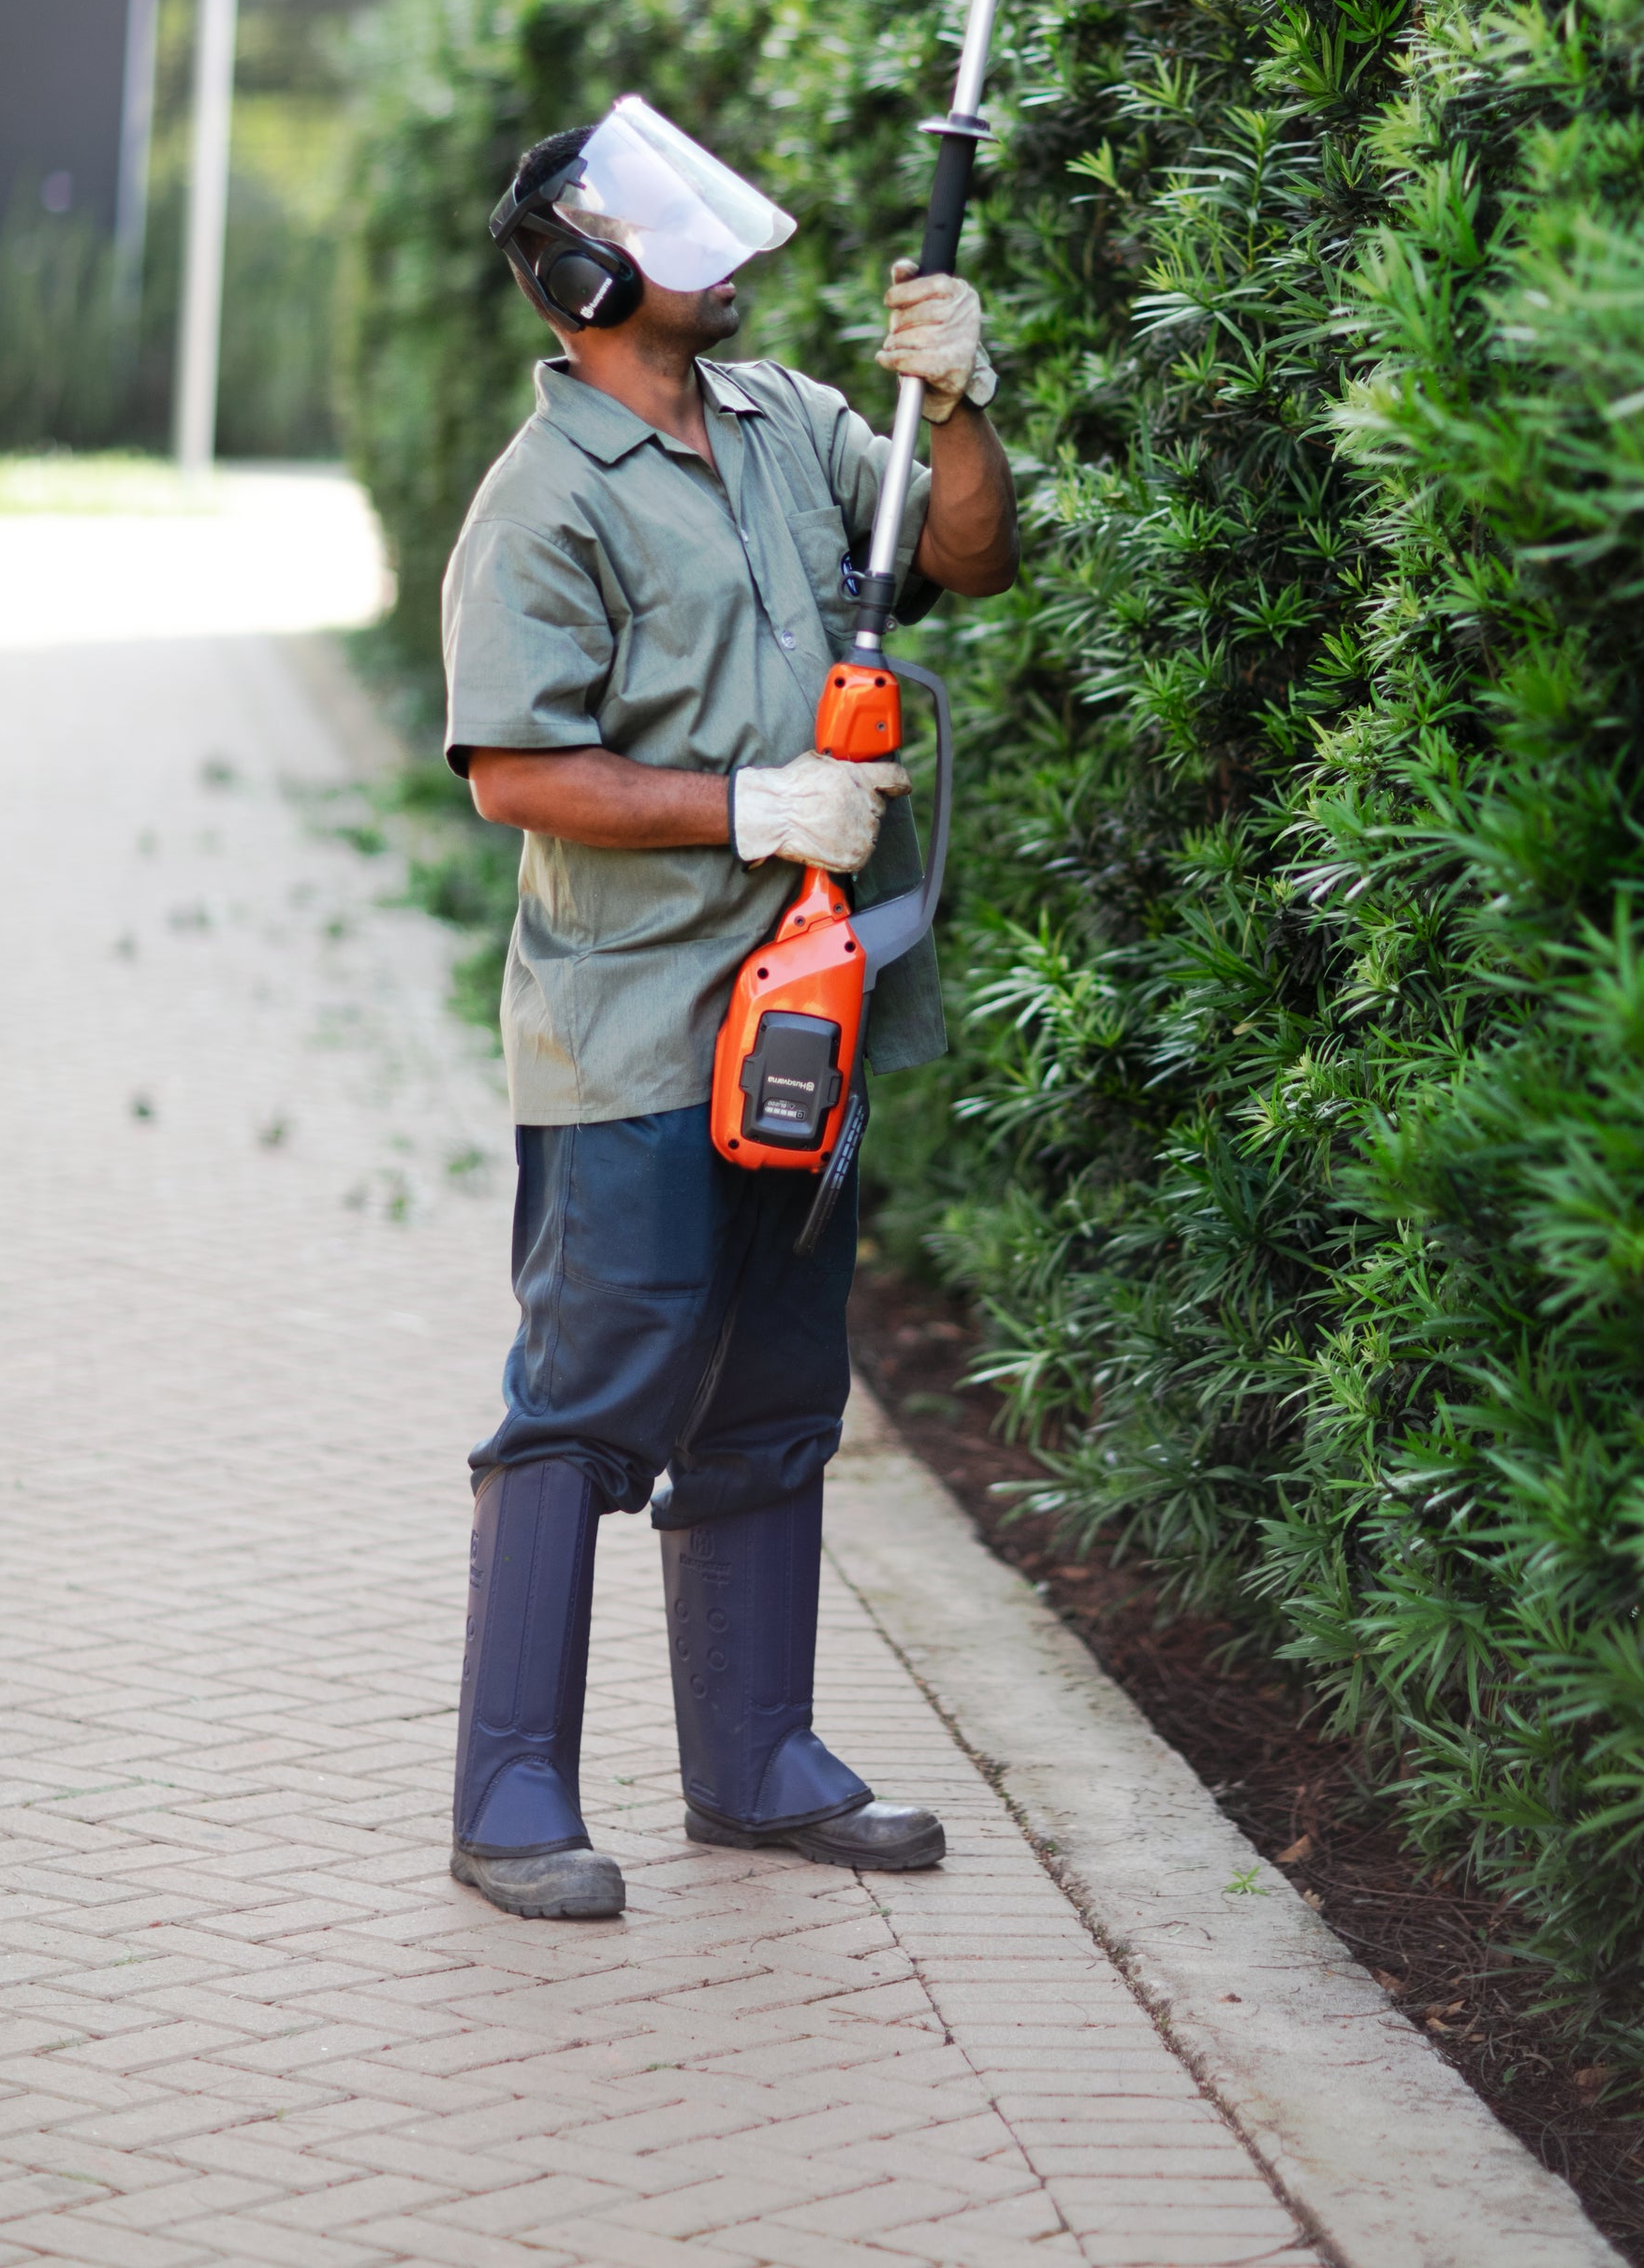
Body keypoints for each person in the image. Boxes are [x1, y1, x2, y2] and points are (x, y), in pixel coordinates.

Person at [440, 95, 1019, 1919]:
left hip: (808, 1006)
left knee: (775, 1389)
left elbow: (971, 553)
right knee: (591, 1395)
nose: (722, 256)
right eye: (670, 232)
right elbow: (514, 772)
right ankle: (512, 1786)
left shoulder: (794, 430)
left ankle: (758, 1758)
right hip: (631, 1030)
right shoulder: (543, 501)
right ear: (587, 272)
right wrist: (747, 806)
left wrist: (970, 394)